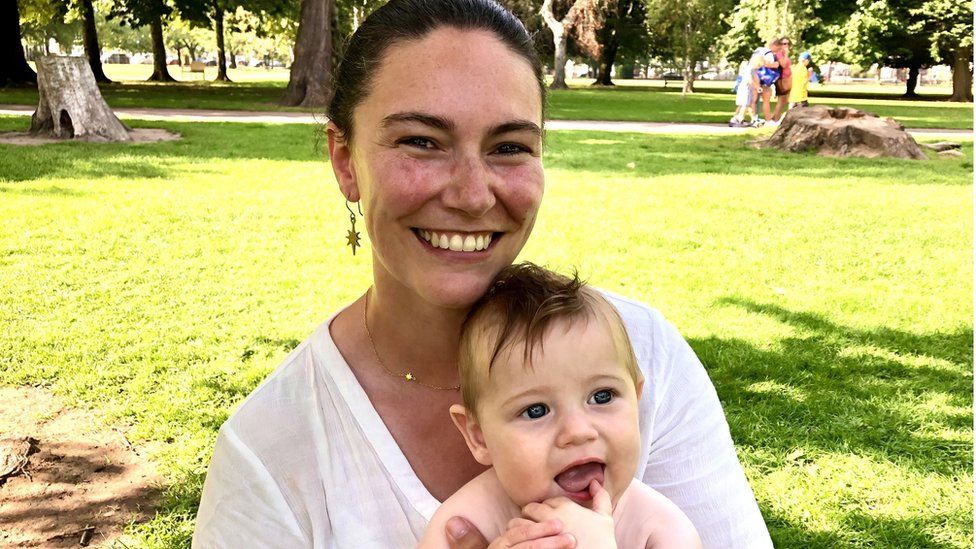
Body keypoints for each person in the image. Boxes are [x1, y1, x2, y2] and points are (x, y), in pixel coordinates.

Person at [192, 0, 774, 546]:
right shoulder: (273, 453)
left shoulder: (644, 354)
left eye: (509, 147)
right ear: (345, 160)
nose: (472, 196)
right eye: (421, 141)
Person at [418, 263, 701, 548]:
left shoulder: (661, 530)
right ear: (479, 436)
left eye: (602, 396)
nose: (578, 432)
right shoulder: (462, 522)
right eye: (535, 411)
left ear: (636, 401)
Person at [729, 52, 763, 127]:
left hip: (749, 89)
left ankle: (737, 118)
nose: (759, 67)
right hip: (745, 89)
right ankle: (739, 118)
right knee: (744, 104)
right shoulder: (750, 69)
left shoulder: (753, 70)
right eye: (759, 65)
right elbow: (749, 80)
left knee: (745, 104)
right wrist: (757, 87)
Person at [754, 39, 783, 126]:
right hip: (764, 79)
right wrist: (775, 64)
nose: (777, 51)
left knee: (753, 101)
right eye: (778, 49)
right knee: (766, 100)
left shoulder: (759, 50)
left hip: (754, 77)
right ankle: (768, 120)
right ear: (774, 45)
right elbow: (766, 63)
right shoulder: (769, 53)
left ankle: (754, 118)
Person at [770, 37, 793, 124]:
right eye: (784, 43)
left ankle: (775, 116)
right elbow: (783, 65)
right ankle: (775, 119)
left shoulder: (783, 53)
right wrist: (786, 54)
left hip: (787, 78)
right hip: (781, 79)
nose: (786, 45)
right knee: (781, 100)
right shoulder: (780, 53)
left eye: (787, 43)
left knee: (785, 100)